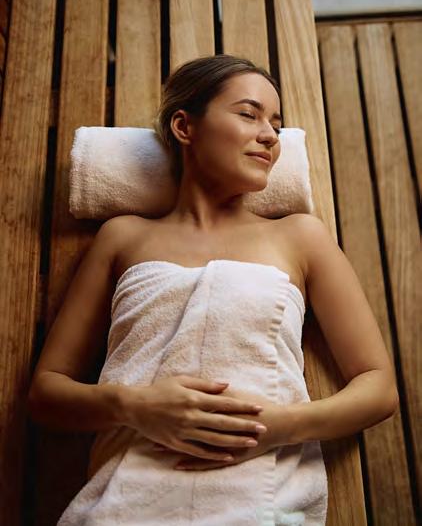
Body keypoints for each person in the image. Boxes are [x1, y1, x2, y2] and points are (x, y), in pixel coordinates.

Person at [28, 54, 398, 523]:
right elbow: (47, 393)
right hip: (126, 501)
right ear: (185, 127)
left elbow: (378, 386)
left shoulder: (300, 237)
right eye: (248, 114)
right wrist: (135, 406)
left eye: (276, 125)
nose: (271, 136)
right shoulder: (123, 237)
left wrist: (276, 426)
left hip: (261, 495)